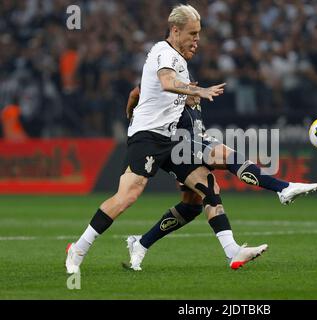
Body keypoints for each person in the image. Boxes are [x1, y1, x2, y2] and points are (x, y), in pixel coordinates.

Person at [65, 4, 272, 274]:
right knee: (128, 195)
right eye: (192, 33)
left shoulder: (175, 59)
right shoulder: (165, 53)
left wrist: (132, 106)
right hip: (149, 137)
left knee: (207, 189)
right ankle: (78, 248)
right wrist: (199, 90)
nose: (197, 39)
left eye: (198, 33)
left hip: (172, 138)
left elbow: (137, 90)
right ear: (175, 31)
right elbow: (165, 82)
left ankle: (233, 251)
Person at [123, 83, 317, 271]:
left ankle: (141, 243)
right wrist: (132, 117)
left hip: (189, 149)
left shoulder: (195, 102)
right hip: (181, 148)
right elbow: (135, 93)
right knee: (228, 156)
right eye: (188, 86)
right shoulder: (169, 97)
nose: (194, 90)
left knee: (194, 204)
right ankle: (282, 188)